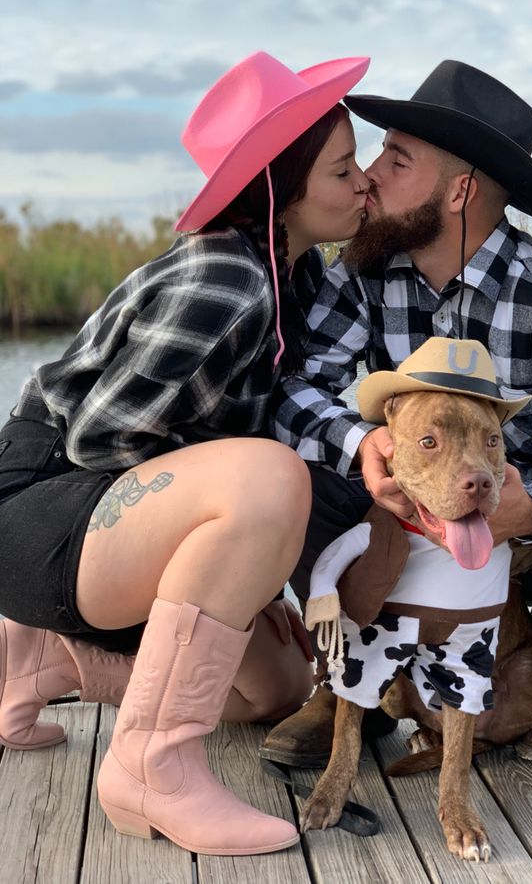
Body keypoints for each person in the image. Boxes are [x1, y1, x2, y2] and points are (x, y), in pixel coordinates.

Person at [0, 50, 371, 856]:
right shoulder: (227, 278)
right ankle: (149, 768)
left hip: (97, 521)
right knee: (270, 476)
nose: (365, 182)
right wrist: (227, 510)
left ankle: (49, 660)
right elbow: (98, 436)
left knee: (274, 686)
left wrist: (232, 555)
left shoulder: (291, 277)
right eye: (344, 170)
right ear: (281, 185)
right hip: (40, 506)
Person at [261, 59, 532, 767]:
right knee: (286, 476)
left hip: (519, 527)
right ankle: (347, 686)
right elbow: (293, 389)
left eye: (396, 159)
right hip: (406, 509)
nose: (369, 176)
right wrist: (364, 443)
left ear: (459, 190)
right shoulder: (360, 272)